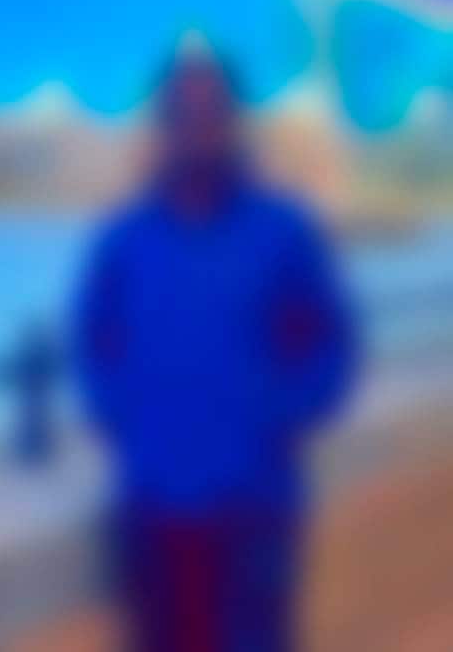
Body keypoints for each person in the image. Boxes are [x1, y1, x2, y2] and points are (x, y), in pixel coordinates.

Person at [74, 37, 358, 651]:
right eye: (183, 113)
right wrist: (127, 417)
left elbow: (331, 344)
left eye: (211, 112)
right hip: (152, 511)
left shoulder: (283, 233)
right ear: (164, 125)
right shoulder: (124, 242)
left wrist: (278, 415)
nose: (197, 128)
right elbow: (93, 347)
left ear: (233, 122)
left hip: (255, 511)